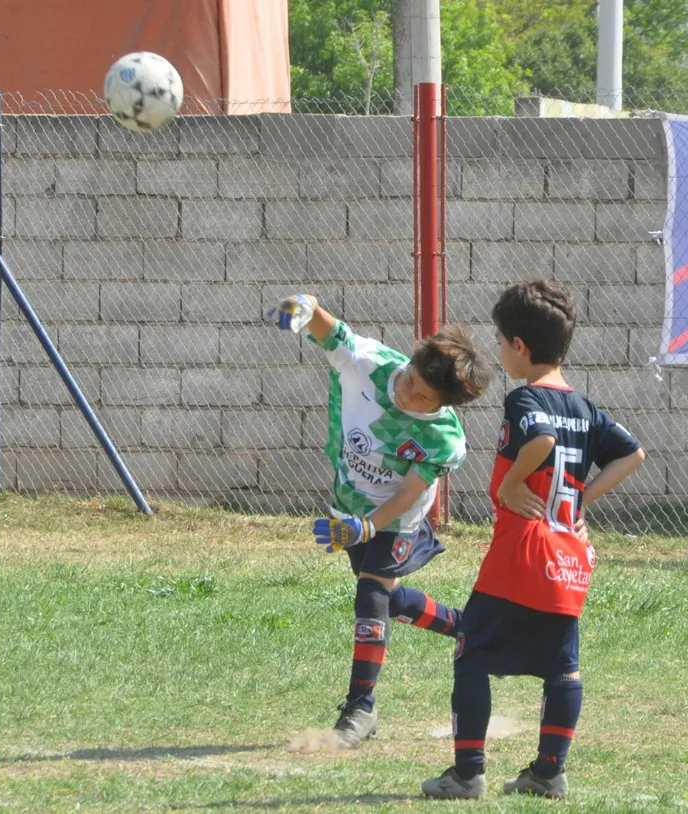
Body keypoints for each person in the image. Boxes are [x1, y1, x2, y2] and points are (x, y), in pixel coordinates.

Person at [421, 279, 646, 800]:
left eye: (501, 342)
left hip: (522, 553)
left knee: (471, 652)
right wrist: (579, 502)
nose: (500, 352)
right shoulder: (584, 408)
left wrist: (512, 483)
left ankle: (467, 773)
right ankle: (548, 772)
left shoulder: (525, 396)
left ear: (519, 346)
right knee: (562, 666)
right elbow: (632, 455)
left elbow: (541, 440)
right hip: (568, 556)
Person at [266, 294, 494, 748]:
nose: (407, 392)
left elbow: (410, 492)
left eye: (422, 396)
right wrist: (307, 309)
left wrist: (368, 528)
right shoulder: (370, 364)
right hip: (349, 502)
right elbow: (334, 332)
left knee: (371, 592)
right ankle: (464, 626)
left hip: (397, 520)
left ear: (442, 405)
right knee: (384, 603)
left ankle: (361, 708)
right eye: (410, 378)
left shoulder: (443, 437)